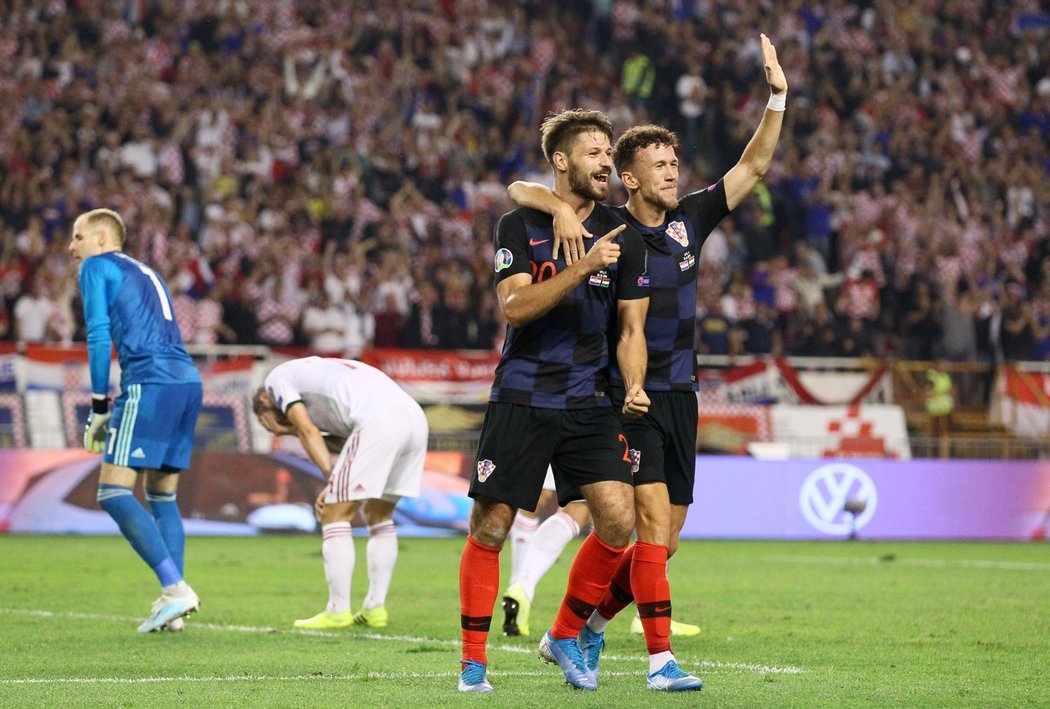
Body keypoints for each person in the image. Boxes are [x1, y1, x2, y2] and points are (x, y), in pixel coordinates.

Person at [507, 33, 787, 692]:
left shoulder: (691, 221)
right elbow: (522, 187)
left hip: (681, 394)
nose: (672, 172)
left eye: (674, 161)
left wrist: (776, 96)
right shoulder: (608, 226)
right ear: (627, 177)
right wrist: (550, 200)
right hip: (624, 397)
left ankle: (577, 628)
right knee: (650, 526)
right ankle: (660, 660)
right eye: (657, 164)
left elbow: (753, 167)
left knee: (664, 542)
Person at [457, 108, 651, 694]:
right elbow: (514, 308)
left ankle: (565, 633)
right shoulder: (519, 226)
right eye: (595, 152)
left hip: (588, 398)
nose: (606, 163)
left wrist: (635, 382)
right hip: (522, 394)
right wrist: (582, 262)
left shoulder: (623, 231)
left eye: (609, 153)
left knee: (619, 521)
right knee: (491, 527)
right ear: (562, 161)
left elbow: (629, 330)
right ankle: (473, 664)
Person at [69, 208, 203, 633]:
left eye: (78, 237)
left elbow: (97, 334)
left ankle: (175, 589)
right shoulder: (148, 271)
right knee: (162, 496)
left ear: (103, 238)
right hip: (187, 382)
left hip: (150, 381)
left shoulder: (97, 266)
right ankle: (174, 604)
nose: (72, 247)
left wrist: (99, 406)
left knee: (111, 492)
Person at [251, 356, 428, 629]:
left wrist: (330, 481)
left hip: (380, 420)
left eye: (268, 423)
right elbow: (347, 443)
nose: (275, 427)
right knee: (378, 514)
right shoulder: (322, 381)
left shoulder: (275, 380)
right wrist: (294, 431)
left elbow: (308, 430)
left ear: (264, 401)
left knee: (333, 513)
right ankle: (375, 608)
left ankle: (337, 610)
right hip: (414, 419)